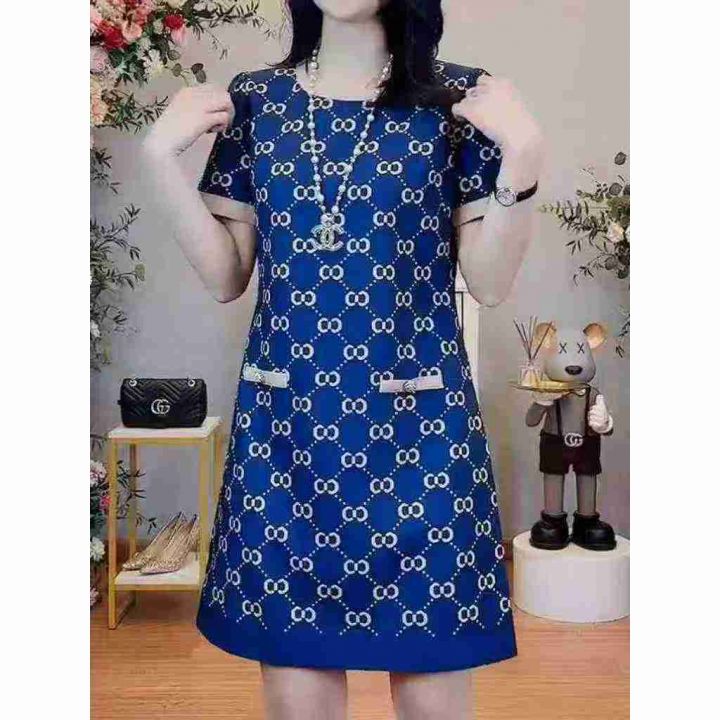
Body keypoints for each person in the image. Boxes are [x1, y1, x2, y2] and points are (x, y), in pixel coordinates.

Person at [142, 1, 543, 717]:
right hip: (288, 441)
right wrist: (159, 162)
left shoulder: (457, 100)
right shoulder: (257, 101)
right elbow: (227, 275)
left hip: (423, 442)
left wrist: (525, 156)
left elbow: (489, 282)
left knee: (434, 697)